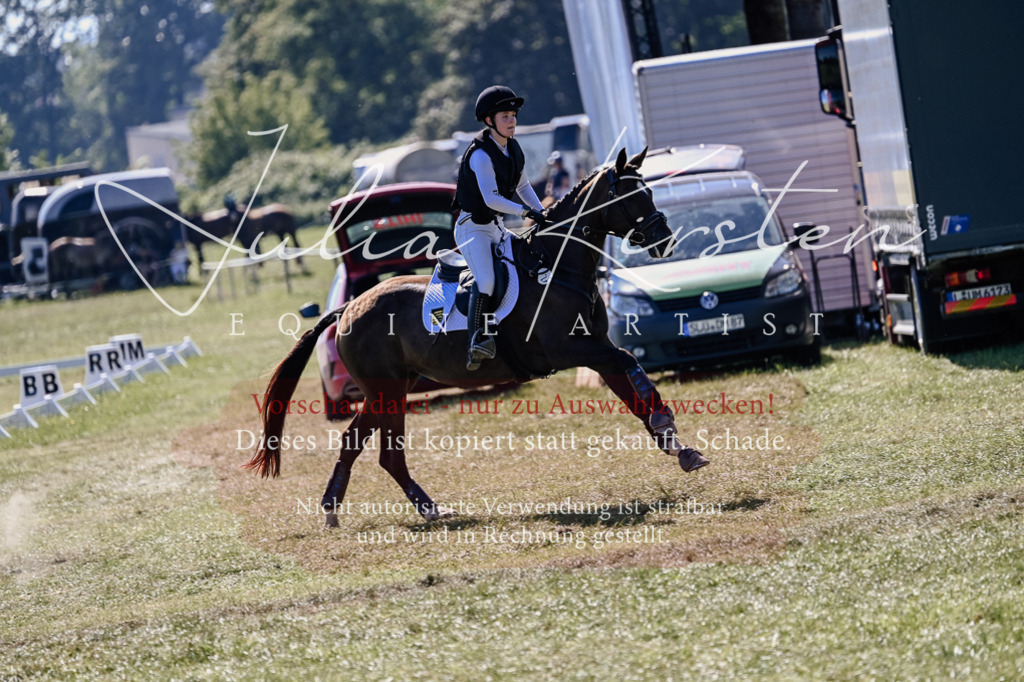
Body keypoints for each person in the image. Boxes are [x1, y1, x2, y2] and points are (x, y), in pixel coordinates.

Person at [453, 85, 546, 370]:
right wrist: (524, 211)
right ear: (489, 120)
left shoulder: (513, 149)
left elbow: (523, 185)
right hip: (473, 229)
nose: (512, 121)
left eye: (514, 115)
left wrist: (543, 211)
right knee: (488, 280)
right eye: (505, 116)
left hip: (495, 227)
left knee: (526, 262)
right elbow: (491, 198)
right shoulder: (479, 155)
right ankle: (477, 340)